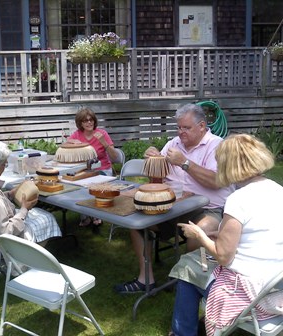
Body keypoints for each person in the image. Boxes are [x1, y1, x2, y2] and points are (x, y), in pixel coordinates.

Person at [114, 103, 234, 294]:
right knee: (137, 223)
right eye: (179, 127)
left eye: (186, 128)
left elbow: (216, 181)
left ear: (202, 126)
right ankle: (146, 279)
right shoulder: (173, 144)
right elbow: (157, 179)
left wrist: (185, 163)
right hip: (174, 204)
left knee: (199, 230)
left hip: (210, 208)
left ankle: (186, 280)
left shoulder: (217, 145)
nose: (181, 132)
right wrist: (153, 160)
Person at [170, 134, 283, 336]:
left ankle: (182, 332)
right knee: (193, 262)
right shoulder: (277, 189)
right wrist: (219, 233)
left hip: (253, 291)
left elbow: (223, 257)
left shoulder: (238, 199)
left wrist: (199, 235)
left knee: (186, 264)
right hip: (277, 282)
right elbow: (262, 230)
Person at [0, 138, 62, 260]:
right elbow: (5, 233)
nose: (5, 167)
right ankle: (28, 262)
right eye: (4, 164)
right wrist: (24, 210)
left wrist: (10, 194)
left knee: (39, 216)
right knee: (47, 218)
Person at [68, 107, 118, 226]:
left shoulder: (102, 134)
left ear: (94, 121)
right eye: (85, 120)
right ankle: (86, 215)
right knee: (78, 183)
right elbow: (64, 144)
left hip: (103, 170)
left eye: (91, 120)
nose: (89, 122)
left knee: (92, 184)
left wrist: (104, 143)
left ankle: (95, 215)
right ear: (80, 123)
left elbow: (115, 157)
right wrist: (73, 142)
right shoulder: (77, 134)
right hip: (85, 170)